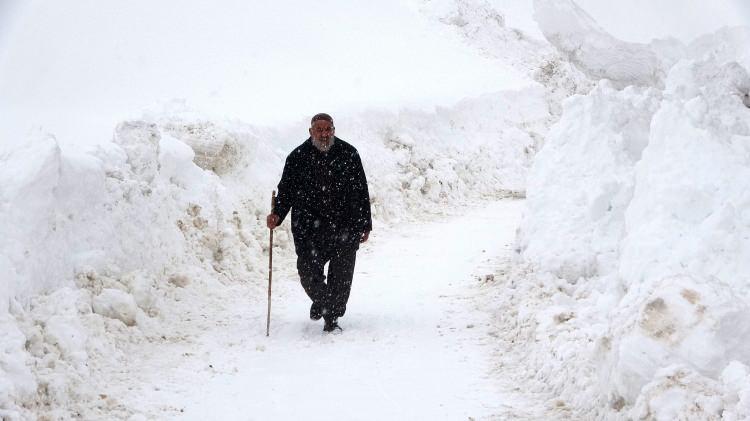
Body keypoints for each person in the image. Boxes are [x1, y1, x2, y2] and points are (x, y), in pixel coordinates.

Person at [266, 113, 372, 333]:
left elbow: (361, 191)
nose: (324, 134)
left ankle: (330, 318)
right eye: (319, 130)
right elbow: (286, 192)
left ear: (333, 129)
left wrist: (365, 224)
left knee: (341, 278)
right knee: (307, 271)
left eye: (328, 130)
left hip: (345, 224)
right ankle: (325, 304)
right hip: (309, 227)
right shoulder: (297, 158)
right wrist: (277, 214)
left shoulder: (349, 154)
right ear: (310, 132)